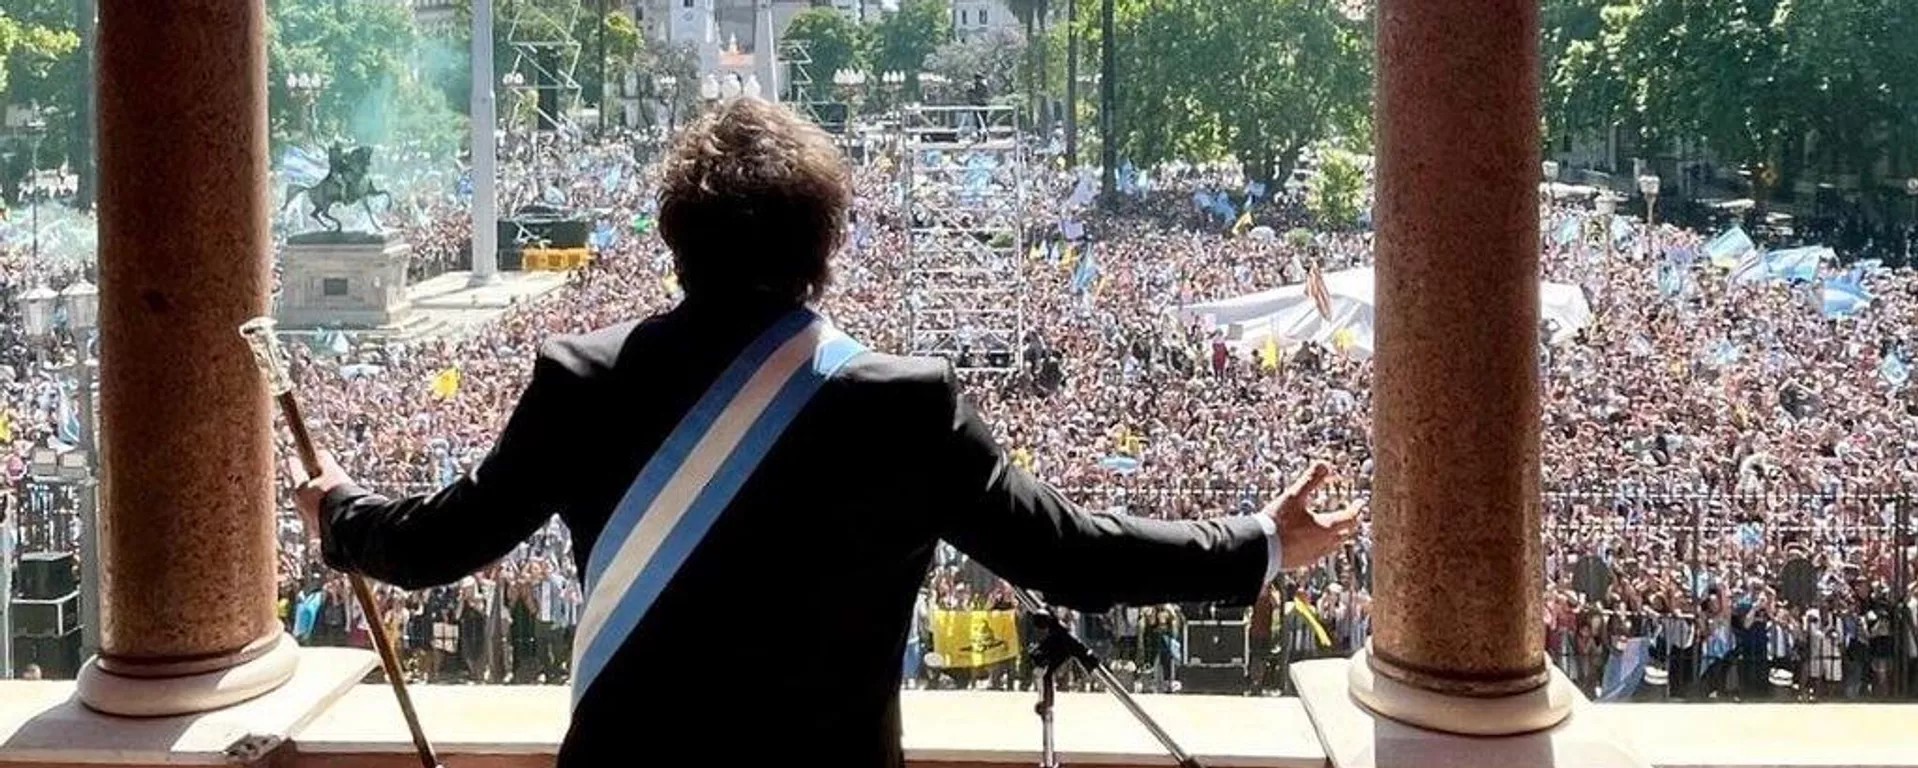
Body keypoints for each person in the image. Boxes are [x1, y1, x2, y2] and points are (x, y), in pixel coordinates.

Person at [294, 99, 1359, 767]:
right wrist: (1258, 541)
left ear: (673, 241)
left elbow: (441, 546)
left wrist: (339, 511)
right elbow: (1069, 555)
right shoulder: (901, 402)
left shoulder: (584, 380)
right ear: (828, 245)